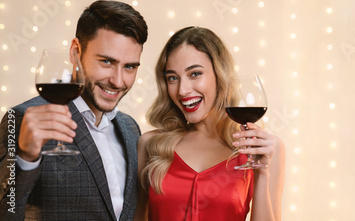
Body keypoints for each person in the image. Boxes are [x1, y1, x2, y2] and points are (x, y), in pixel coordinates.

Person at [0, 1, 148, 220]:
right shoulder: (23, 119)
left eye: (130, 67)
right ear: (75, 52)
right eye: (107, 61)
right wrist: (25, 158)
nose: (118, 81)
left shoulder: (131, 128)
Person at [134, 26, 285, 221]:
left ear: (219, 75)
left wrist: (262, 173)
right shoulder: (150, 145)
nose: (182, 90)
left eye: (195, 74)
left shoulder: (262, 148)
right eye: (173, 78)